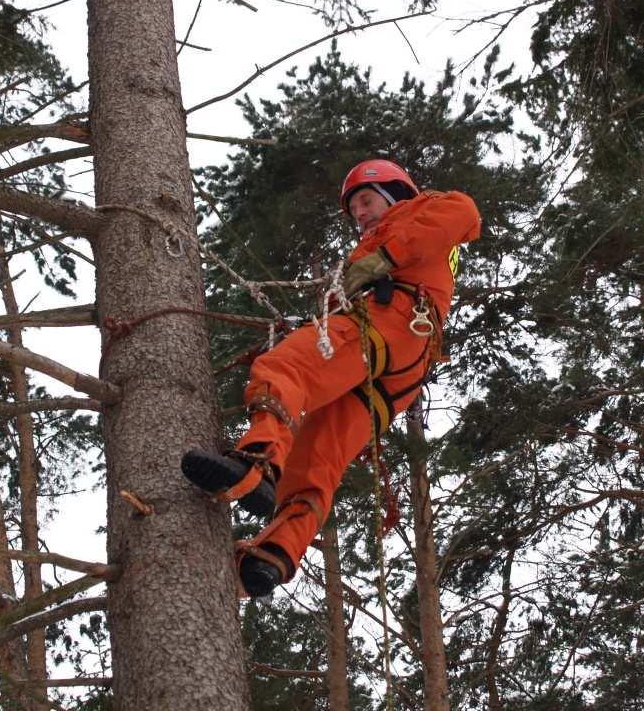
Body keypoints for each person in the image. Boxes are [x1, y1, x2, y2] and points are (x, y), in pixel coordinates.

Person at [181, 158, 481, 596]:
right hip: (400, 366)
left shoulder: (426, 209)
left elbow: (466, 212)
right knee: (316, 455)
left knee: (284, 367)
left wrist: (384, 257)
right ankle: (274, 556)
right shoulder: (390, 239)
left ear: (396, 191)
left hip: (390, 322)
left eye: (365, 200)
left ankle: (258, 460)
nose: (359, 214)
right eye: (354, 209)